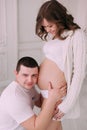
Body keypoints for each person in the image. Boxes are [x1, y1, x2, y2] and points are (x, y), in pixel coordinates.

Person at [35, 0, 87, 130]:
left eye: (50, 26)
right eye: (45, 27)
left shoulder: (77, 35)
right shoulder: (57, 35)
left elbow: (79, 73)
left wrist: (67, 105)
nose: (48, 30)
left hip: (57, 96)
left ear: (59, 18)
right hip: (47, 94)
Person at [0, 56, 66, 130]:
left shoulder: (28, 87)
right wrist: (52, 99)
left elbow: (40, 102)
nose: (30, 80)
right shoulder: (14, 97)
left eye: (34, 75)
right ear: (16, 73)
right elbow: (36, 128)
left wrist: (52, 94)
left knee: (54, 118)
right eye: (25, 75)